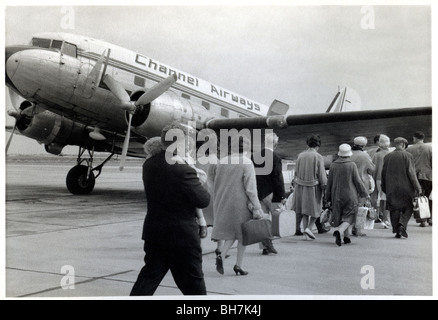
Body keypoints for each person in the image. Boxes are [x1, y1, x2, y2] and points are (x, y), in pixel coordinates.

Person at [130, 122, 211, 296]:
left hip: (155, 233)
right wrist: (201, 180)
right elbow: (203, 200)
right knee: (194, 284)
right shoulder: (183, 170)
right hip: (182, 237)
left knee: (148, 278)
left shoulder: (149, 164)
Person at [211, 135, 263, 276]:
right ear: (246, 147)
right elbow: (251, 189)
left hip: (223, 201)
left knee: (233, 233)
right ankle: (238, 264)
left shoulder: (222, 161)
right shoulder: (246, 162)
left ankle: (223, 255)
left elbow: (216, 183)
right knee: (243, 234)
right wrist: (257, 207)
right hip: (241, 203)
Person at [325, 144, 369, 247]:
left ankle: (346, 237)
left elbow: (329, 183)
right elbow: (357, 181)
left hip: (336, 195)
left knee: (340, 215)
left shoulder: (333, 165)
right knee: (350, 215)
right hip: (350, 194)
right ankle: (339, 231)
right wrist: (364, 193)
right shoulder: (351, 165)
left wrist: (327, 197)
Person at [382, 137, 422, 239]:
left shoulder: (387, 156)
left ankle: (397, 230)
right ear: (404, 145)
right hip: (406, 187)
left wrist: (384, 187)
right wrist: (417, 187)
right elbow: (411, 173)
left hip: (391, 187)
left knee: (394, 208)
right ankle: (402, 224)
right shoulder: (408, 156)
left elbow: (383, 173)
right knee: (408, 207)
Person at [252, 132, 285, 255]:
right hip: (271, 193)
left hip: (257, 192)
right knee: (272, 220)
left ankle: (265, 246)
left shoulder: (255, 156)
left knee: (263, 219)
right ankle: (269, 243)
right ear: (275, 144)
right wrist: (281, 196)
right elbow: (277, 178)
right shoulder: (275, 158)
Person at [291, 135, 327, 241]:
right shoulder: (318, 157)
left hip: (300, 186)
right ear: (318, 145)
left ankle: (307, 233)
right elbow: (321, 175)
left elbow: (296, 173)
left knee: (304, 210)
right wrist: (324, 186)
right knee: (316, 210)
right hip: (313, 187)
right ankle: (309, 228)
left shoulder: (300, 155)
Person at [350, 136, 375, 237]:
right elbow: (371, 168)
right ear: (364, 146)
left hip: (348, 182)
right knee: (360, 206)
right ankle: (357, 229)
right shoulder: (365, 156)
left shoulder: (348, 153)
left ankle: (348, 226)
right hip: (361, 183)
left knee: (350, 206)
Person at [407, 131, 432, 227]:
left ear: (415, 138)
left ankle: (422, 220)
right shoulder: (430, 148)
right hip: (428, 176)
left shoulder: (409, 149)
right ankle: (430, 218)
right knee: (429, 197)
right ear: (423, 138)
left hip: (415, 176)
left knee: (419, 198)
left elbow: (408, 164)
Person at [372, 134, 392, 228]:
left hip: (378, 178)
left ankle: (376, 216)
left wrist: (373, 178)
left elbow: (373, 168)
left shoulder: (377, 154)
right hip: (388, 178)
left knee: (379, 198)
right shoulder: (390, 154)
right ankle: (385, 219)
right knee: (386, 199)